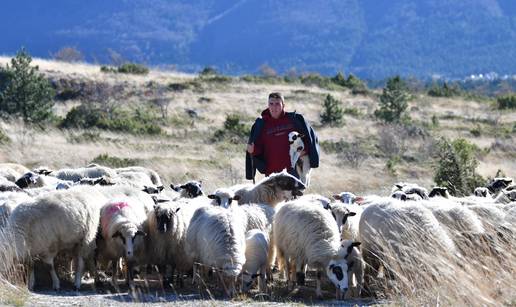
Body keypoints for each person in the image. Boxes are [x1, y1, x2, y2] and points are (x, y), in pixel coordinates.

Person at [245, 92, 319, 181]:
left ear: (283, 105)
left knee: (294, 195)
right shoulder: (261, 125)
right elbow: (258, 150)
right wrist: (253, 150)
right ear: (268, 105)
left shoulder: (294, 120)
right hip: (272, 174)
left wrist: (304, 151)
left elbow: (309, 139)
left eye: (277, 104)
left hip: (293, 173)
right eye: (271, 104)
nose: (274, 107)